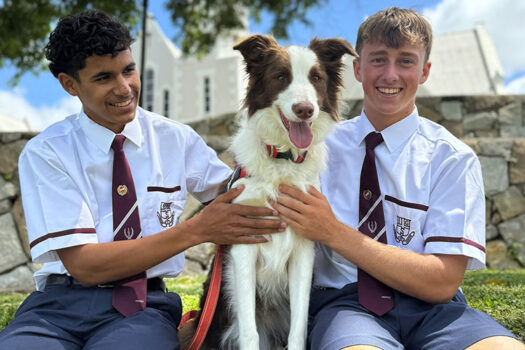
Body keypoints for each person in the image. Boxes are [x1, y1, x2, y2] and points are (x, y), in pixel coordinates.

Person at [0, 9, 284, 350]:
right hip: (56, 309)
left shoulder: (176, 139)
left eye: (129, 71)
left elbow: (242, 196)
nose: (124, 88)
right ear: (69, 84)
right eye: (104, 78)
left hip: (143, 308)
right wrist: (197, 230)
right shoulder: (47, 152)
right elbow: (85, 265)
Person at [272, 7, 524, 350]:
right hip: (348, 305)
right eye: (378, 60)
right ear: (358, 69)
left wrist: (333, 232)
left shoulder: (452, 158)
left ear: (424, 71)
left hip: (437, 311)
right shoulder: (314, 147)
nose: (390, 75)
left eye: (405, 61)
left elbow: (442, 282)